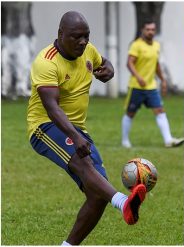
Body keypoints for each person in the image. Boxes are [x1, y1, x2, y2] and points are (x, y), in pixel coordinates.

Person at [27, 11, 146, 245]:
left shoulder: (87, 50)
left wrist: (109, 68)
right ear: (60, 34)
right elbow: (52, 108)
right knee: (84, 164)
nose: (82, 42)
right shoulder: (46, 62)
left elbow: (104, 62)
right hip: (46, 127)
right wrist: (74, 136)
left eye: (86, 36)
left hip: (77, 129)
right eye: (76, 37)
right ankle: (124, 202)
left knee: (98, 195)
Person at [121, 19, 183, 148]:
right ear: (143, 30)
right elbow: (129, 63)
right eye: (148, 29)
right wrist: (138, 77)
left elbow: (156, 65)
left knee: (160, 110)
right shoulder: (136, 45)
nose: (150, 32)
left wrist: (163, 80)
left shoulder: (156, 45)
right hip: (136, 86)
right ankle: (125, 140)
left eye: (153, 29)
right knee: (130, 113)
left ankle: (168, 140)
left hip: (151, 86)